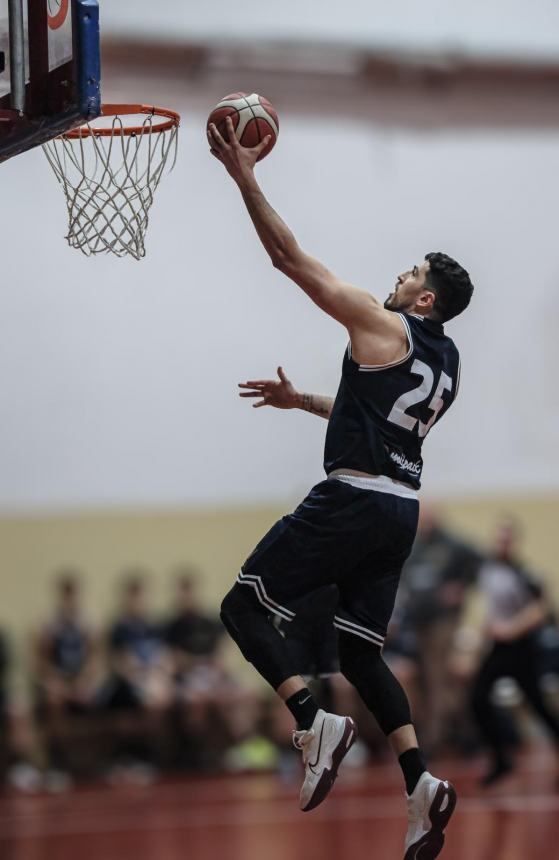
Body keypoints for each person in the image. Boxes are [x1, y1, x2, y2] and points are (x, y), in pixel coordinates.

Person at [209, 118, 473, 858]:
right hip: (399, 512)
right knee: (359, 655)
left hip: (354, 499)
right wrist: (307, 404)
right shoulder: (444, 361)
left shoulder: (380, 322)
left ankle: (309, 721)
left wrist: (243, 175)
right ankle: (419, 784)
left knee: (241, 607)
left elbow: (289, 260)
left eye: (412, 271)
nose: (401, 274)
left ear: (424, 300)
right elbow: (384, 420)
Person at [472, 519, 559, 786]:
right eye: (498, 539)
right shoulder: (488, 571)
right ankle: (501, 758)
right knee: (477, 698)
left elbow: (540, 610)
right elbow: (492, 607)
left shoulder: (525, 572)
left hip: (522, 647)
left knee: (537, 705)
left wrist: (511, 629)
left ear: (515, 542)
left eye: (507, 539)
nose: (502, 544)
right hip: (499, 648)